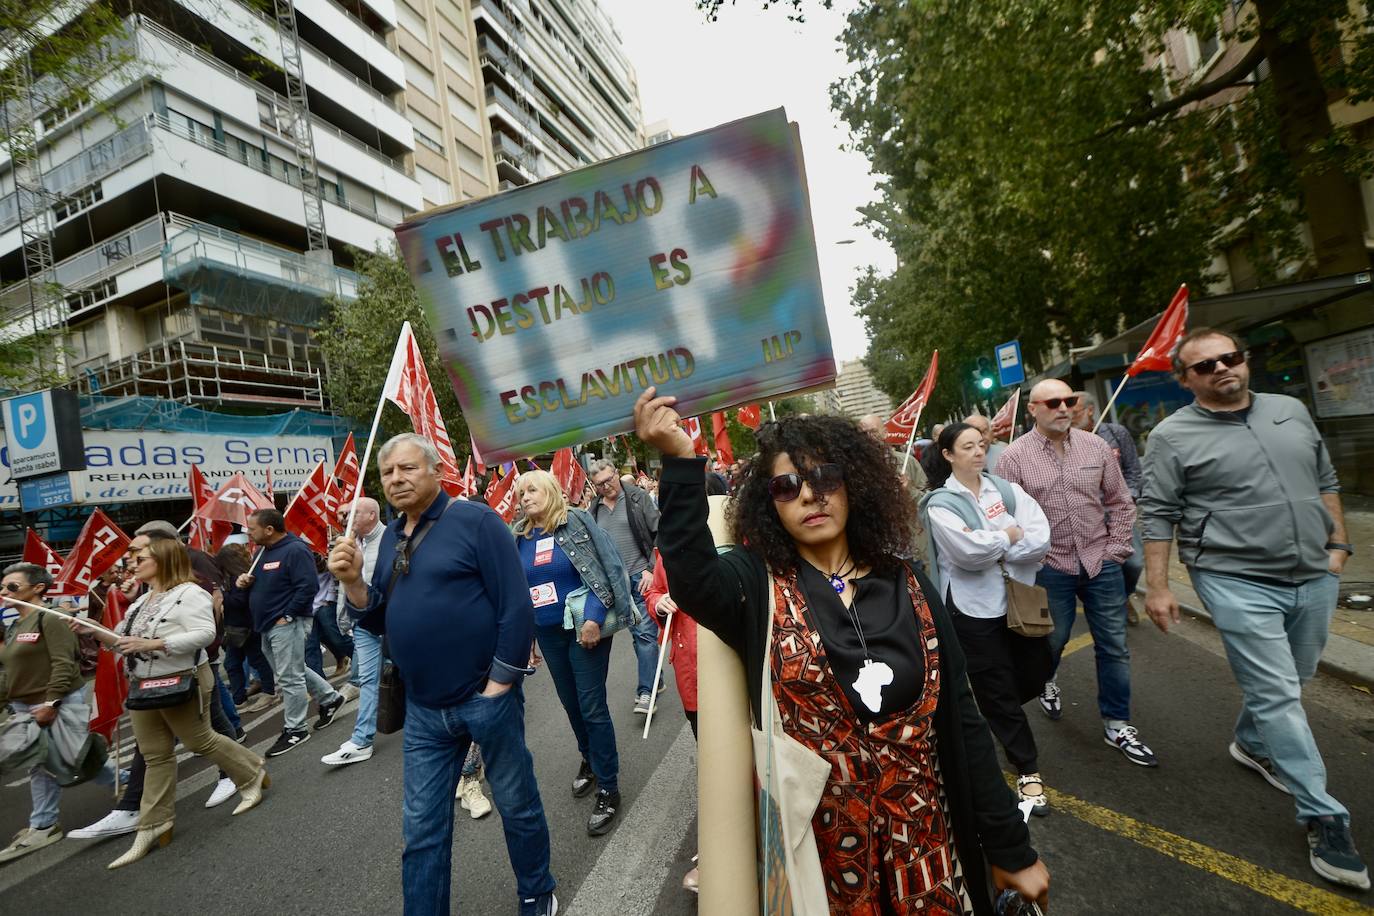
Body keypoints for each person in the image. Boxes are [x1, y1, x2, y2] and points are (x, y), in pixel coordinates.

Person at [636, 388, 1049, 914]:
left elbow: (963, 722)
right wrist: (678, 459)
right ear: (770, 502)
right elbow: (692, 577)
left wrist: (1011, 848)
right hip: (821, 862)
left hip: (928, 848)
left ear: (854, 485)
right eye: (787, 486)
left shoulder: (911, 583)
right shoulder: (756, 586)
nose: (810, 494)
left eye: (825, 477)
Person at [1140, 328, 1369, 891]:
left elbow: (1325, 479)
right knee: (1278, 692)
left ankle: (1253, 742)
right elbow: (1158, 513)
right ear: (1184, 379)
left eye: (1230, 358)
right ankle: (1323, 815)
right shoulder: (1171, 436)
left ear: (1245, 360)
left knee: (1298, 674)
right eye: (1204, 366)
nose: (1221, 369)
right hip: (1233, 577)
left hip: (1314, 571)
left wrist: (1338, 544)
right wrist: (1159, 587)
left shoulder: (1289, 410)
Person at [329, 433, 556, 916]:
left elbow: (515, 608)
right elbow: (378, 618)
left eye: (408, 468)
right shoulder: (392, 535)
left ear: (435, 471)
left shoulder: (476, 521)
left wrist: (498, 688)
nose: (396, 479)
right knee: (422, 832)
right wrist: (352, 584)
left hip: (484, 699)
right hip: (425, 712)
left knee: (517, 806)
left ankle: (537, 892)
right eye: (389, 472)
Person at [996, 379, 1156, 767]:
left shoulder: (1097, 446)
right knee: (1052, 642)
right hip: (1050, 567)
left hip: (1100, 562)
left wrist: (1117, 549)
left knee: (1113, 645)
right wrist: (1028, 558)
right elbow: (1004, 516)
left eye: (1069, 400)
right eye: (1053, 402)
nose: (1064, 408)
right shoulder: (1012, 458)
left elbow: (1120, 501)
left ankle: (1117, 723)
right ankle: (1046, 681)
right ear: (1033, 409)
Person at [86, 537, 268, 869]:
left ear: (163, 560)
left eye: (140, 558)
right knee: (155, 754)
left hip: (181, 680)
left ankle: (251, 772)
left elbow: (204, 633)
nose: (133, 564)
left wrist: (153, 642)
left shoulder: (190, 593)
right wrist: (96, 631)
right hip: (143, 688)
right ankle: (154, 823)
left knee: (201, 739)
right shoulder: (140, 602)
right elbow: (122, 642)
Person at [920, 424, 1054, 816]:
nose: (979, 452)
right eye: (968, 447)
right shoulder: (941, 502)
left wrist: (999, 543)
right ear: (948, 454)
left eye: (982, 445)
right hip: (972, 608)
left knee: (1037, 669)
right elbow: (966, 554)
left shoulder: (1006, 491)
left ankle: (998, 713)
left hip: (1018, 600)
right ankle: (1027, 768)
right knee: (995, 689)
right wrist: (1010, 537)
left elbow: (1040, 538)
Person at [513, 469, 634, 837]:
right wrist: (527, 636)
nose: (524, 497)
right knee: (569, 702)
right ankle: (590, 758)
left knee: (591, 705)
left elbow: (606, 565)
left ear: (550, 490)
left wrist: (595, 617)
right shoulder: (518, 535)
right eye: (520, 492)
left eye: (531, 489)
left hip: (585, 628)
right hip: (547, 633)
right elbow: (520, 589)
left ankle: (609, 787)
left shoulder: (575, 521)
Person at [0, 563, 116, 863]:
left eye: (11, 586)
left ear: (37, 588)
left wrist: (52, 703)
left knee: (47, 763)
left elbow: (65, 662)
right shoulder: (16, 624)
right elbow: (11, 671)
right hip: (26, 705)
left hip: (55, 702)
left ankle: (43, 825)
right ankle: (128, 781)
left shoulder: (50, 617)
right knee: (60, 759)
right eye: (2, 586)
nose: (4, 591)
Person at [239, 508, 345, 757]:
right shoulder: (263, 551)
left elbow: (308, 586)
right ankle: (330, 699)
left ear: (269, 529)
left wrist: (288, 616)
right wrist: (245, 582)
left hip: (286, 624)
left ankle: (296, 728)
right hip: (267, 624)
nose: (248, 533)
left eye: (252, 529)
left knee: (290, 677)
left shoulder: (295, 550)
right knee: (293, 670)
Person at [588, 458, 664, 715]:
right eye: (600, 484)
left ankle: (646, 693)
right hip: (616, 584)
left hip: (640, 577)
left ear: (616, 475)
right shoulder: (594, 509)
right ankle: (656, 678)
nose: (606, 486)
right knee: (637, 634)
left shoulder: (637, 498)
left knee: (644, 634)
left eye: (609, 479)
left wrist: (652, 569)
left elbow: (659, 533)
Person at [322, 497, 388, 768]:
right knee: (369, 681)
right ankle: (361, 741)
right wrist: (345, 618)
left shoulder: (392, 539)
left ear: (372, 515)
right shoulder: (348, 545)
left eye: (352, 513)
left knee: (417, 674)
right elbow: (345, 585)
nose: (344, 518)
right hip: (363, 626)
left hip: (393, 623)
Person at [1072, 390, 1145, 625]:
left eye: (1075, 412)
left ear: (1090, 410)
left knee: (1134, 563)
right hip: (1088, 517)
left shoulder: (1116, 433)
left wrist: (1130, 497)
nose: (1068, 417)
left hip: (1119, 513)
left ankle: (1124, 596)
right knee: (1102, 566)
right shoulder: (1066, 441)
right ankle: (1114, 602)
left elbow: (1134, 471)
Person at [218, 542, 276, 710]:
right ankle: (240, 698)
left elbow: (240, 601)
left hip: (246, 627)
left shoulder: (241, 578)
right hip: (239, 627)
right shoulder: (234, 577)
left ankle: (268, 692)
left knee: (256, 660)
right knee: (234, 664)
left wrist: (221, 597)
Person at [305, 553, 352, 681]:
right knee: (310, 646)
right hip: (305, 608)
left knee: (336, 636)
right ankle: (319, 685)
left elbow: (333, 575)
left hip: (324, 602)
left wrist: (330, 597)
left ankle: (361, 658)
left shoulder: (320, 553)